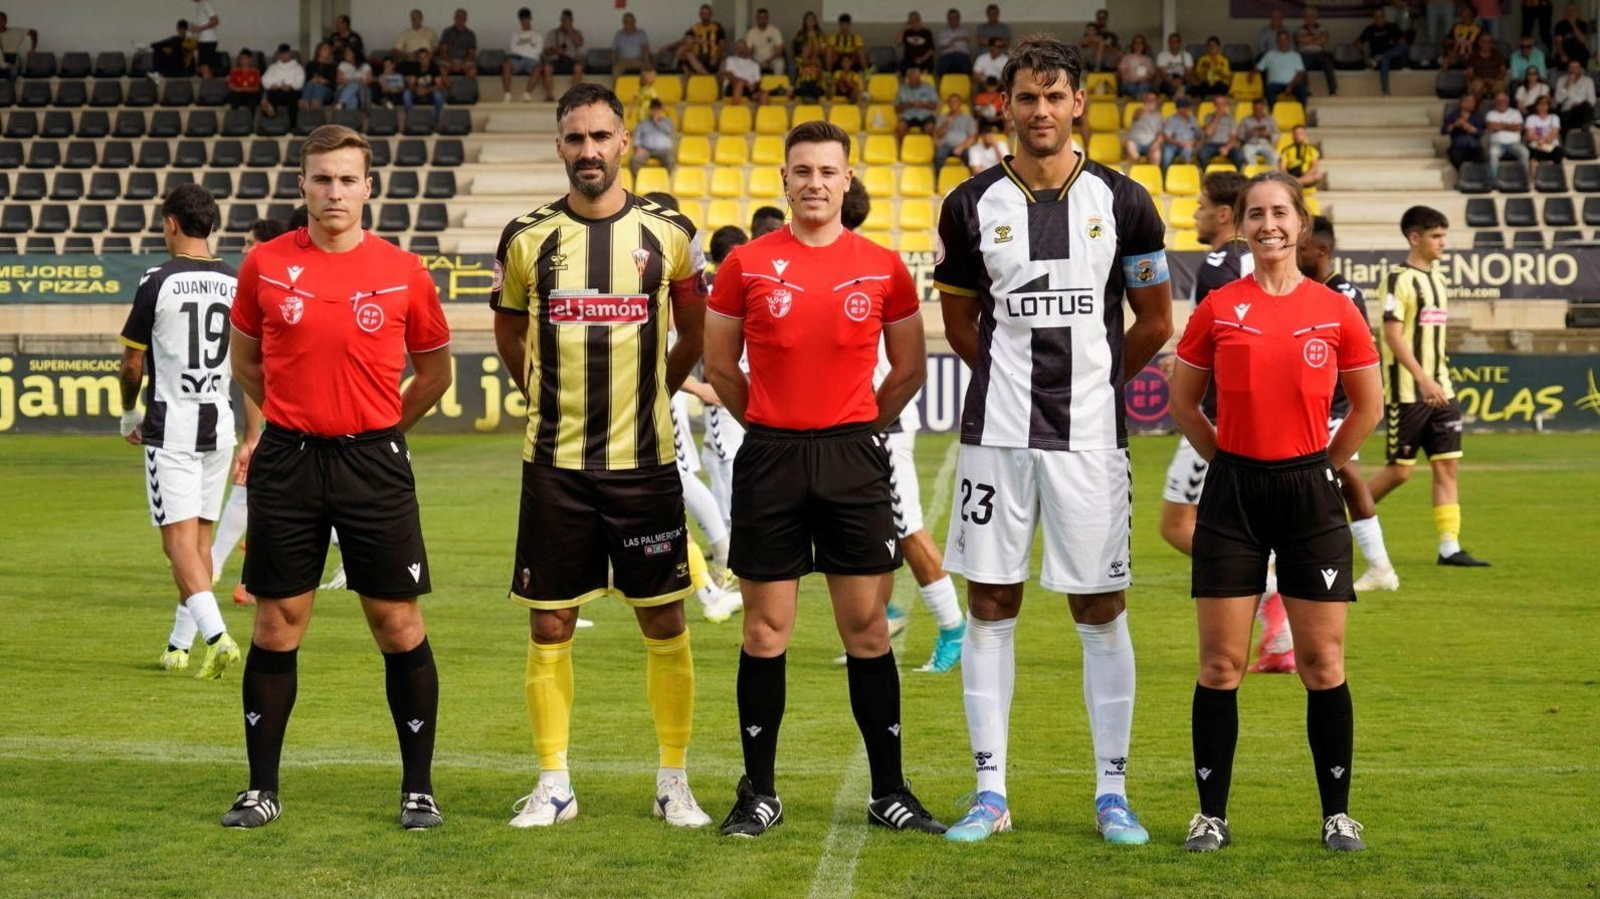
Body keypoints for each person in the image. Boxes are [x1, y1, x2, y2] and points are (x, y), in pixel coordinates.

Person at [936, 35, 1172, 846]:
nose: (1041, 110)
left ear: (1079, 103)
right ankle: (989, 792)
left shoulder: (1125, 201)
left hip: (1091, 439)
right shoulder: (968, 203)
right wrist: (1011, 382)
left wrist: (1094, 386)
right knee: (990, 600)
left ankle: (1113, 792)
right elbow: (960, 321)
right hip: (997, 436)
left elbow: (1156, 321)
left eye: (1054, 96)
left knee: (1099, 605)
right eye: (1026, 97)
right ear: (1005, 106)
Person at [704, 119, 943, 839]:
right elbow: (721, 368)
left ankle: (889, 791)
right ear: (785, 178)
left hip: (853, 459)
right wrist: (773, 423)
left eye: (827, 171)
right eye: (802, 170)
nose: (814, 183)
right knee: (764, 629)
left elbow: (909, 369)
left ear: (847, 180)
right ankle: (759, 792)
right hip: (770, 457)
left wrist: (858, 426)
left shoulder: (883, 266)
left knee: (866, 628)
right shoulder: (745, 264)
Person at [489, 83, 712, 830]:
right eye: (576, 138)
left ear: (625, 143)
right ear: (560, 146)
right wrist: (536, 392)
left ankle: (673, 779)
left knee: (665, 622)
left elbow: (694, 331)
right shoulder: (527, 237)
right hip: (555, 464)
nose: (589, 150)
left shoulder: (669, 232)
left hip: (644, 464)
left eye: (601, 136)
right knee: (550, 624)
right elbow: (509, 330)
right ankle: (554, 783)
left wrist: (660, 390)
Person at [221, 124, 454, 830]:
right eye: (322, 178)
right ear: (302, 185)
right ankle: (261, 789)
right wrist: (292, 415)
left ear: (368, 188)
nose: (334, 192)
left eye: (348, 179)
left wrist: (382, 429)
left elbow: (434, 374)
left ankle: (418, 790)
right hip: (288, 460)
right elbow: (246, 361)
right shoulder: (264, 264)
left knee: (397, 622)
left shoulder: (404, 270)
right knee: (277, 621)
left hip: (372, 462)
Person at [1169, 171, 1382, 855]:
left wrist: (1325, 466)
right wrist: (1227, 458)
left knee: (1322, 661)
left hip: (1309, 495)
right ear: (1242, 226)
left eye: (1281, 213)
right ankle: (1210, 815)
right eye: (1256, 214)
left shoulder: (1336, 309)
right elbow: (1184, 403)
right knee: (1220, 664)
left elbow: (1368, 407)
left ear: (1301, 224)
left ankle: (1337, 815)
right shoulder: (1218, 307)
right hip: (1233, 494)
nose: (1269, 225)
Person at [842, 181, 969, 674]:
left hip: (882, 424)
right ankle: (882, 618)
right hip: (860, 421)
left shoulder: (867, 265)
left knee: (907, 527)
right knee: (873, 532)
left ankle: (953, 627)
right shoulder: (861, 262)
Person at [117, 184, 243, 678]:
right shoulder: (236, 281)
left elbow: (132, 364)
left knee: (177, 544)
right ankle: (178, 645)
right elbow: (253, 365)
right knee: (201, 542)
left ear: (171, 223)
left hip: (172, 427)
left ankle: (218, 636)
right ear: (211, 225)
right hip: (221, 424)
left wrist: (129, 412)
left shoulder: (158, 280)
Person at [1366, 206, 1491, 568]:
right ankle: (1332, 523)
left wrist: (1436, 379)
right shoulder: (1398, 280)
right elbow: (1392, 335)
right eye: (1436, 236)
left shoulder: (1438, 279)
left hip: (1442, 389)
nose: (1442, 243)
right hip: (1408, 391)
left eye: (1443, 235)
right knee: (1400, 471)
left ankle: (1449, 546)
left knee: (1447, 465)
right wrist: (1422, 378)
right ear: (1414, 237)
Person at [1299, 216, 1401, 595]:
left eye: (1302, 248)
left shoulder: (1343, 293)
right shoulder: (1308, 288)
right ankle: (1378, 565)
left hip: (1335, 405)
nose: (1296, 252)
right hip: (1316, 403)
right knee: (1342, 481)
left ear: (1321, 251)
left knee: (1342, 479)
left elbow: (1356, 353)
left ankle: (1378, 565)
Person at [505, 8, 553, 103]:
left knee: (538, 67)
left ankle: (527, 94)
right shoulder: (515, 34)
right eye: (522, 19)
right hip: (518, 60)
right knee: (506, 65)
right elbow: (513, 49)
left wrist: (523, 51)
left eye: (526, 19)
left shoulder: (537, 35)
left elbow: (538, 50)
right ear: (520, 20)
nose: (524, 21)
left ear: (530, 19)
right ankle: (507, 94)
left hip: (532, 61)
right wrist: (529, 50)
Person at [1357, 8, 1409, 96]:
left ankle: (1382, 57)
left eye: (1381, 16)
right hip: (1378, 61)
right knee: (1384, 60)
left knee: (1402, 47)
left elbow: (1403, 43)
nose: (1379, 18)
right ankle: (1385, 91)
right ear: (1373, 18)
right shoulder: (1370, 29)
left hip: (1392, 58)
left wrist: (1398, 44)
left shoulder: (1392, 27)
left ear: (1385, 17)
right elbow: (1357, 44)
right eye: (1376, 16)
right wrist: (1365, 56)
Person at [1483, 91, 1528, 182]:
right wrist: (1511, 126)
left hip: (1515, 144)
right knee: (1492, 153)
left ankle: (1525, 181)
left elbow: (1519, 127)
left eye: (1503, 101)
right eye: (1499, 101)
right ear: (1495, 102)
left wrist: (1500, 126)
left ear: (1507, 102)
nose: (1501, 103)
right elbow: (1491, 126)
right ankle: (1492, 182)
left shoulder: (1515, 113)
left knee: (1525, 152)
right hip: (1497, 144)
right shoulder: (1491, 114)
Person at [1258, 31, 1308, 108]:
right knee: (1269, 89)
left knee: (1302, 89)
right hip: (1275, 85)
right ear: (1277, 42)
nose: (1282, 42)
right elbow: (1259, 68)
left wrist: (1291, 85)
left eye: (1285, 39)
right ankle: (1275, 112)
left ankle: (1301, 112)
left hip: (1292, 84)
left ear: (1289, 41)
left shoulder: (1296, 56)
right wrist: (1251, 74)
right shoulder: (1269, 55)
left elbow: (1301, 73)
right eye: (1280, 40)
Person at [1296, 7, 1338, 96]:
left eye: (1312, 16)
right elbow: (1299, 39)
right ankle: (1305, 90)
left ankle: (1332, 90)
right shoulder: (1299, 29)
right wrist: (1316, 38)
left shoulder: (1323, 28)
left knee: (1328, 64)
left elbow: (1323, 39)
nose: (1309, 18)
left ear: (1316, 17)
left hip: (1320, 54)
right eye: (1307, 16)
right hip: (1304, 54)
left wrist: (1308, 39)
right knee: (1300, 65)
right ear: (1304, 18)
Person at [675, 4, 726, 76]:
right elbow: (685, 40)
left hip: (713, 57)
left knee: (724, 59)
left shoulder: (717, 27)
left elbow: (723, 44)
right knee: (687, 53)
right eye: (703, 14)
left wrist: (716, 56)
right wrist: (695, 40)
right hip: (699, 58)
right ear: (699, 15)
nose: (705, 16)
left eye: (707, 14)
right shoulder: (695, 28)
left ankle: (711, 78)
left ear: (711, 15)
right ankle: (706, 75)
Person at [260, 44, 304, 124]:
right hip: (277, 90)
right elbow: (264, 79)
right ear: (279, 55)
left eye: (286, 53)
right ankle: (270, 113)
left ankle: (292, 124)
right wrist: (271, 85)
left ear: (290, 53)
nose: (284, 56)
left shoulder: (297, 67)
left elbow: (300, 82)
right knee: (272, 93)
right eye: (282, 54)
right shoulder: (273, 67)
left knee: (292, 97)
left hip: (291, 90)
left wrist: (291, 86)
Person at [1441, 91, 1486, 169]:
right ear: (1462, 103)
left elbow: (1481, 132)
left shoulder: (1478, 116)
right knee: (1455, 156)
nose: (1473, 104)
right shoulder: (1453, 115)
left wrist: (1470, 128)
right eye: (1470, 102)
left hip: (1474, 146)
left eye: (1473, 102)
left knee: (1482, 157)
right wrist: (1455, 125)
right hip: (1458, 146)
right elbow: (1444, 131)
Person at [543, 9, 586, 87]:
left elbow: (580, 43)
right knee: (547, 68)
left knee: (579, 67)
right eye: (564, 20)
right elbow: (546, 51)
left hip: (571, 61)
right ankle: (549, 93)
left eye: (568, 20)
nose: (565, 22)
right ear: (561, 20)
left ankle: (574, 92)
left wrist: (570, 30)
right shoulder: (553, 33)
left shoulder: (577, 32)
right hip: (556, 61)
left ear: (571, 21)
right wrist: (556, 51)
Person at [632, 99, 677, 171]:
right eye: (653, 109)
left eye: (657, 109)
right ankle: (640, 178)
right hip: (646, 150)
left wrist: (658, 122)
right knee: (635, 161)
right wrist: (639, 148)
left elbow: (669, 131)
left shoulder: (667, 122)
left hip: (664, 150)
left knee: (670, 161)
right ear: (649, 110)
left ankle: (667, 178)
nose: (655, 111)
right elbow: (637, 139)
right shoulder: (643, 123)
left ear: (661, 110)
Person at [896, 66, 940, 139]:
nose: (913, 81)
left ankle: (928, 144)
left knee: (930, 128)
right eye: (911, 79)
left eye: (915, 79)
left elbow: (934, 106)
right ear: (908, 78)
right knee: (900, 127)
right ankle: (901, 145)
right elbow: (897, 109)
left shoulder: (928, 88)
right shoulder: (902, 89)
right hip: (908, 116)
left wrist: (923, 104)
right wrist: (907, 105)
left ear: (919, 78)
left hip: (925, 115)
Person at [1235, 97, 1281, 167]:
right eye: (1256, 109)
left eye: (1260, 109)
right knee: (1246, 154)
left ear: (1263, 109)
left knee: (1275, 156)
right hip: (1250, 144)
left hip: (1265, 144)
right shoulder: (1245, 120)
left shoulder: (1270, 120)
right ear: (1252, 109)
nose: (1258, 111)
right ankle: (1255, 171)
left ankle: (1268, 171)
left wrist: (1268, 135)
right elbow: (1239, 136)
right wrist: (1248, 134)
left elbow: (1277, 134)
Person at [936, 93, 979, 164]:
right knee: (939, 155)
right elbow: (938, 135)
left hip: (962, 145)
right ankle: (938, 171)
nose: (953, 103)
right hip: (946, 145)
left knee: (971, 157)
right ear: (948, 104)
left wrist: (961, 147)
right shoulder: (942, 118)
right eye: (951, 101)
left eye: (955, 101)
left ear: (960, 103)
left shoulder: (968, 118)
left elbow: (973, 137)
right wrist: (946, 124)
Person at [404, 48, 447, 119]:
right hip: (417, 92)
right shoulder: (414, 67)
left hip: (430, 92)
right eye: (420, 58)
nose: (423, 60)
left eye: (425, 57)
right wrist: (416, 89)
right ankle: (410, 119)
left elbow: (439, 85)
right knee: (406, 94)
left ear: (429, 57)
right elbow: (410, 85)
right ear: (418, 59)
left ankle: (438, 119)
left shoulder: (434, 67)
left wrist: (427, 90)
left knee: (438, 95)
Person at [1124, 91, 1165, 165]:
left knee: (1157, 153)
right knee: (1130, 144)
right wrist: (1145, 110)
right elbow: (1135, 116)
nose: (1150, 101)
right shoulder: (1139, 111)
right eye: (1148, 99)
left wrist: (1155, 145)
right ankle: (1138, 163)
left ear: (1156, 101)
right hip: (1136, 142)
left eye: (1152, 99)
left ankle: (1154, 170)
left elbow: (1161, 134)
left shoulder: (1159, 116)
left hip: (1150, 144)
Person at [437, 7, 478, 80]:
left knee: (472, 71)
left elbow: (471, 54)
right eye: (458, 16)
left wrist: (462, 64)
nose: (460, 19)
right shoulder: (447, 32)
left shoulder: (470, 34)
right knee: (442, 70)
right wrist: (452, 63)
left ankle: (463, 87)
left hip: (465, 61)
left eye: (462, 17)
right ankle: (449, 87)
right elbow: (443, 51)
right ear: (454, 18)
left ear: (466, 19)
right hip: (448, 60)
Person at [1554, 58, 1594, 130]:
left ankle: (1585, 128)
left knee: (1586, 107)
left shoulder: (1588, 81)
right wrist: (1567, 84)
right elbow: (1558, 100)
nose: (1574, 70)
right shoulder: (1561, 80)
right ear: (1568, 68)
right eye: (1571, 67)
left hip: (1582, 111)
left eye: (1576, 68)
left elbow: (1592, 100)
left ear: (1581, 69)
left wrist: (1579, 104)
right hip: (1567, 111)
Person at [1161, 97, 1201, 169]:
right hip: (1174, 144)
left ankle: (1187, 171)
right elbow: (1167, 137)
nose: (1184, 110)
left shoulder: (1192, 119)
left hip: (1188, 144)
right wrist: (1179, 143)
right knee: (1167, 155)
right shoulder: (1172, 119)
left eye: (1186, 108)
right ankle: (1165, 172)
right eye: (1181, 109)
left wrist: (1192, 142)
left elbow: (1197, 135)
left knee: (1188, 151)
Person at [1465, 32, 1508, 98]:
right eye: (1484, 42)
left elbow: (1503, 70)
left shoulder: (1497, 54)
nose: (1487, 44)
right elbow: (1470, 73)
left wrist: (1495, 80)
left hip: (1495, 80)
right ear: (1479, 42)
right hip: (1479, 80)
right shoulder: (1473, 55)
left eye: (1490, 42)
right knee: (1477, 87)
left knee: (1500, 87)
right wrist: (1481, 80)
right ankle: (1477, 105)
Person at [1198, 95, 1238, 166]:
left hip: (1226, 144)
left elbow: (1233, 138)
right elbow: (1209, 132)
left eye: (1222, 103)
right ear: (1214, 105)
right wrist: (1218, 116)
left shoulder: (1231, 119)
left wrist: (1227, 148)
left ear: (1226, 105)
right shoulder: (1208, 117)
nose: (1220, 106)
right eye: (1218, 103)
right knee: (1202, 155)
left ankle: (1236, 173)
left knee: (1239, 155)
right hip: (1211, 144)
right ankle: (1207, 172)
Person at [747, 8, 787, 76]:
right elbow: (748, 50)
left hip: (771, 60)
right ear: (756, 18)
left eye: (764, 17)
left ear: (767, 18)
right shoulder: (751, 32)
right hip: (756, 60)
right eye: (760, 17)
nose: (762, 19)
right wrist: (753, 60)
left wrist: (770, 60)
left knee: (780, 63)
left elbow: (779, 50)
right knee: (746, 63)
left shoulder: (774, 30)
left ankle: (777, 82)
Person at [611, 12, 652, 76]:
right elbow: (614, 51)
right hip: (623, 61)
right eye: (626, 22)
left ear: (634, 22)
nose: (629, 24)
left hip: (638, 60)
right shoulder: (618, 35)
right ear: (623, 23)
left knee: (649, 74)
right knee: (615, 72)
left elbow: (645, 49)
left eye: (631, 22)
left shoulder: (641, 33)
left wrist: (647, 62)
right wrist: (614, 64)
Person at [0, 11, 38, 80]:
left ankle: (11, 86)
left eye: (1, 21)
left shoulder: (14, 32)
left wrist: (32, 49)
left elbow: (33, 32)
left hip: (11, 63)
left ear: (5, 21)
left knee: (13, 72)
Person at [1156, 32, 1195, 98]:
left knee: (1190, 87)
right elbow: (1162, 74)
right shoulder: (1162, 55)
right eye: (1172, 41)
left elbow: (1189, 73)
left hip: (1183, 80)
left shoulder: (1187, 56)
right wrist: (1172, 81)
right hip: (1168, 81)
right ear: (1169, 43)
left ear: (1180, 43)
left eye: (1176, 41)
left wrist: (1181, 81)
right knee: (1170, 89)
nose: (1174, 44)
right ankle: (1180, 95)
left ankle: (1178, 94)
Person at [936, 8, 973, 76]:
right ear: (948, 19)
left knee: (962, 60)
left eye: (954, 17)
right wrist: (948, 45)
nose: (952, 20)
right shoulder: (943, 32)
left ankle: (966, 80)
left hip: (961, 55)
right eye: (950, 18)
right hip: (947, 55)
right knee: (942, 66)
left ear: (959, 19)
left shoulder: (964, 31)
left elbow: (967, 40)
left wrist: (955, 39)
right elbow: (940, 48)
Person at [301, 42, 338, 111]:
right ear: (319, 51)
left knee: (319, 86)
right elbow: (305, 81)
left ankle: (315, 102)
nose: (328, 51)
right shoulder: (310, 64)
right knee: (310, 84)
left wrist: (325, 81)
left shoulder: (332, 67)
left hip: (326, 91)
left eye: (329, 49)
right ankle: (305, 102)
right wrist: (312, 80)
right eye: (325, 49)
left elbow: (334, 85)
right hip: (311, 88)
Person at [1552, 3, 1591, 68]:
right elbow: (1558, 43)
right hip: (1565, 52)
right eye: (1568, 10)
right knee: (1560, 59)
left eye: (1573, 10)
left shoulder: (1583, 24)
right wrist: (1562, 54)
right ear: (1565, 12)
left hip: (1580, 53)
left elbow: (1583, 40)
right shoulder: (1560, 25)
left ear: (1576, 12)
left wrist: (1573, 25)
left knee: (1584, 56)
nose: (1571, 12)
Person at [334, 46, 372, 111]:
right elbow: (338, 80)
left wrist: (359, 81)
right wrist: (352, 81)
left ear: (354, 54)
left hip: (360, 91)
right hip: (343, 90)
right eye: (345, 52)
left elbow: (369, 80)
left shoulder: (364, 65)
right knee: (354, 86)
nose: (345, 54)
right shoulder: (342, 64)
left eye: (348, 52)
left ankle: (341, 103)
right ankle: (342, 103)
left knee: (353, 97)